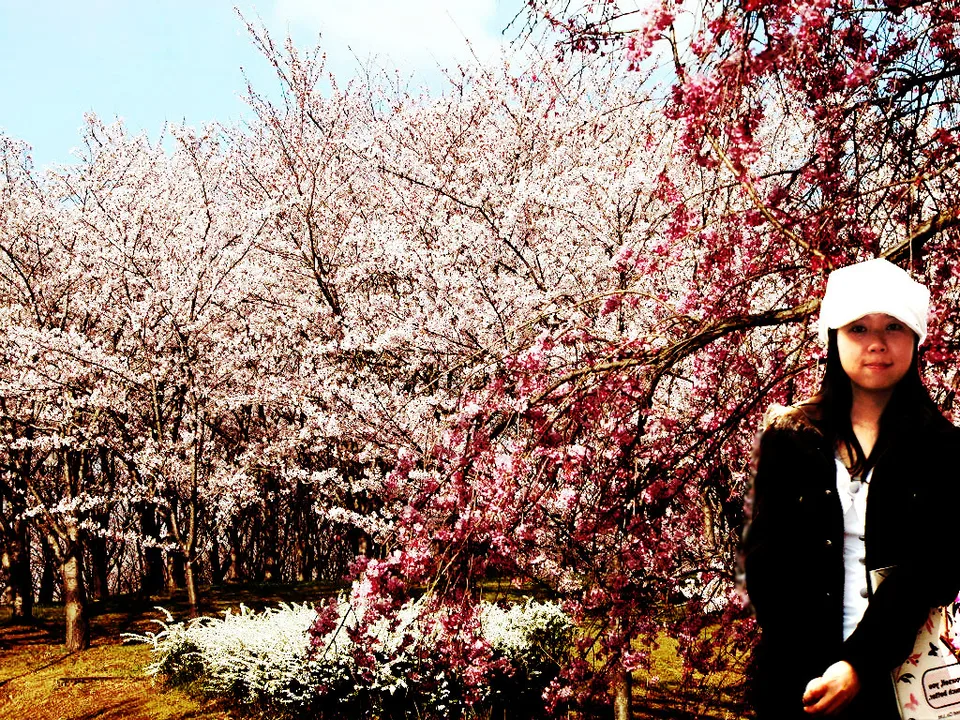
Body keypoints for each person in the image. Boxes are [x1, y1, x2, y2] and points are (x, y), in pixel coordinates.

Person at [742, 258, 960, 719]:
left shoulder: (944, 448)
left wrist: (858, 664)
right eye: (858, 328)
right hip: (800, 679)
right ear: (834, 337)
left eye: (894, 326)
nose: (877, 343)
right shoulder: (790, 437)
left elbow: (934, 566)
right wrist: (810, 661)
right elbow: (765, 562)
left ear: (916, 337)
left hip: (904, 681)